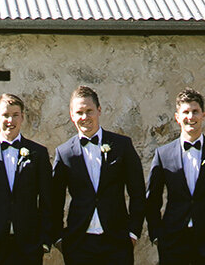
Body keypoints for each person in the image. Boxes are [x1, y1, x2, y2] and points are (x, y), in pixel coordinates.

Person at [49, 85, 144, 265]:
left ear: (99, 110)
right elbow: (55, 201)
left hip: (117, 241)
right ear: (72, 116)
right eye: (79, 112)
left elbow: (138, 192)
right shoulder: (64, 153)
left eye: (89, 111)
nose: (84, 117)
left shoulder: (122, 146)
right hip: (79, 243)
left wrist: (132, 233)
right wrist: (59, 239)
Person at [145, 89, 205, 265]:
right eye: (185, 112)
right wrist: (157, 235)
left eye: (195, 111)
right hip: (172, 241)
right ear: (177, 117)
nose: (191, 116)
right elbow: (152, 199)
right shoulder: (163, 154)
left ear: (203, 115)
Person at [0, 92, 54, 265]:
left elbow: (47, 200)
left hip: (28, 245)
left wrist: (44, 240)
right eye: (6, 115)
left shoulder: (38, 154)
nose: (10, 121)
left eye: (15, 115)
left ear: (22, 118)